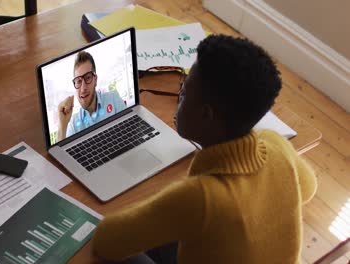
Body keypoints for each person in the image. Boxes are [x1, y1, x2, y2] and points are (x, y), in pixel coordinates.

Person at [92, 34, 317, 264]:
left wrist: (161, 204)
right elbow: (308, 187)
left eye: (185, 92)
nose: (180, 98)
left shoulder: (200, 198)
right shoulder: (276, 143)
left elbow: (106, 240)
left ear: (205, 114)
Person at [57, 51, 126, 141]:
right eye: (78, 81)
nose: (83, 88)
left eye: (88, 78)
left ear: (95, 80)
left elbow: (130, 131)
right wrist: (63, 124)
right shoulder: (74, 125)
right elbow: (60, 154)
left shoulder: (113, 99)